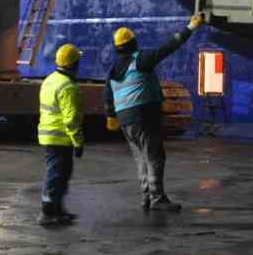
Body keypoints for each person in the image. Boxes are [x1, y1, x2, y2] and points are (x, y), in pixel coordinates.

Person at [103, 13, 203, 210]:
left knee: (141, 158)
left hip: (125, 121)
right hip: (143, 117)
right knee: (155, 156)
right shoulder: (141, 59)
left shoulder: (114, 69)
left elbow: (107, 94)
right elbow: (168, 48)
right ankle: (158, 199)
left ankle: (147, 197)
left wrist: (111, 116)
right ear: (133, 43)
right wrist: (191, 27)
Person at [37, 43, 86, 227]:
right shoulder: (68, 86)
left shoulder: (50, 79)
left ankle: (57, 209)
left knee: (62, 173)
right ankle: (47, 212)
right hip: (60, 137)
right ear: (74, 65)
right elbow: (71, 119)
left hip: (49, 135)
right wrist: (78, 142)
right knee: (57, 174)